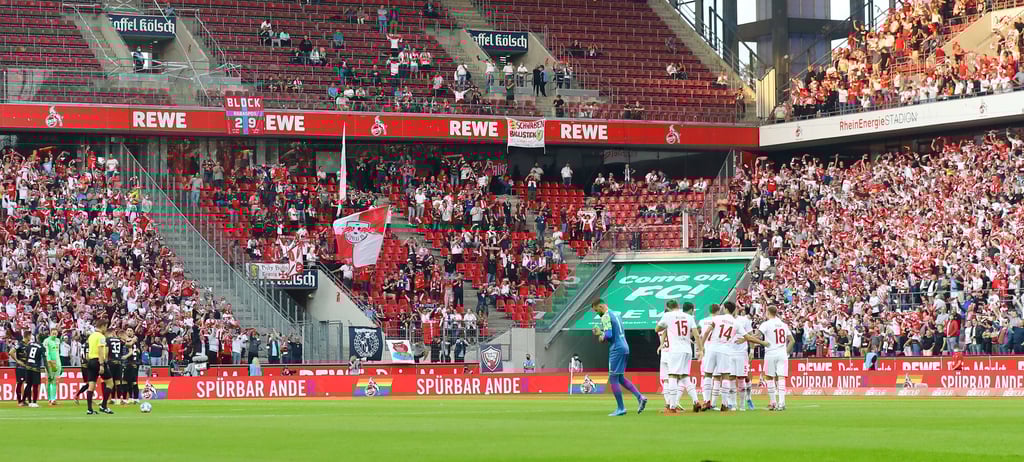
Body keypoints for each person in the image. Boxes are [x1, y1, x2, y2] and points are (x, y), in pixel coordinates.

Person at [591, 299, 647, 416]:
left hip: (616, 349)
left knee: (613, 379)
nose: (597, 313)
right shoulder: (616, 314)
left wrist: (599, 335)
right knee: (620, 377)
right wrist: (602, 332)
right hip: (624, 346)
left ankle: (621, 408)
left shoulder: (605, 316)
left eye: (597, 311)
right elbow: (615, 332)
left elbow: (609, 335)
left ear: (601, 306)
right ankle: (640, 397)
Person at [654, 300, 702, 413]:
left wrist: (666, 326)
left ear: (668, 307)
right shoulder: (688, 317)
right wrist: (700, 350)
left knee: (672, 376)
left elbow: (657, 329)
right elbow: (696, 334)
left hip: (675, 350)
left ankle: (672, 406)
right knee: (685, 376)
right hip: (687, 350)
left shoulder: (667, 315)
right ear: (678, 306)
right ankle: (696, 401)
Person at [758, 305, 793, 411]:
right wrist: (786, 352)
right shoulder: (783, 325)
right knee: (781, 377)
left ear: (768, 312)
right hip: (782, 353)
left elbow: (757, 336)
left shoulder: (766, 324)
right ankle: (782, 403)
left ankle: (773, 402)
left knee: (769, 377)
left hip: (770, 353)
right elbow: (792, 340)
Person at [86, 321, 115, 415]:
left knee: (91, 386)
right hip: (98, 361)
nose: (106, 329)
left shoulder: (91, 336)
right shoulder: (101, 337)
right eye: (105, 327)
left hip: (90, 361)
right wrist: (102, 364)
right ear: (102, 326)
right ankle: (104, 405)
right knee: (110, 383)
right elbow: (100, 350)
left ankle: (89, 409)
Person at [731, 302, 755, 411]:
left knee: (745, 377)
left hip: (742, 352)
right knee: (731, 377)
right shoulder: (725, 320)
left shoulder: (744, 320)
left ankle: (748, 398)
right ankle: (733, 403)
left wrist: (752, 350)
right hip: (729, 353)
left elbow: (751, 335)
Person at [22, 333, 45, 407]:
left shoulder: (29, 344)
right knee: (35, 385)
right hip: (35, 368)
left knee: (28, 384)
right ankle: (34, 402)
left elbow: (25, 354)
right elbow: (44, 358)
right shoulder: (41, 347)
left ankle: (29, 402)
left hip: (28, 367)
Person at [106, 327, 128, 405]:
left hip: (111, 361)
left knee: (111, 382)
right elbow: (126, 344)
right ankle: (118, 399)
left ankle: (112, 398)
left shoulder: (107, 340)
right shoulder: (119, 340)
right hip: (119, 362)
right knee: (118, 382)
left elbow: (107, 351)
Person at [43, 328, 62, 405]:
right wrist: (49, 362)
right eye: (53, 333)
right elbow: (46, 353)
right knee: (49, 381)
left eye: (56, 333)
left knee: (55, 381)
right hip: (50, 363)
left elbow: (57, 353)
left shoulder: (58, 340)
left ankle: (53, 399)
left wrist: (59, 364)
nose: (54, 335)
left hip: (57, 363)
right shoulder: (46, 341)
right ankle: (49, 399)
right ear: (50, 333)